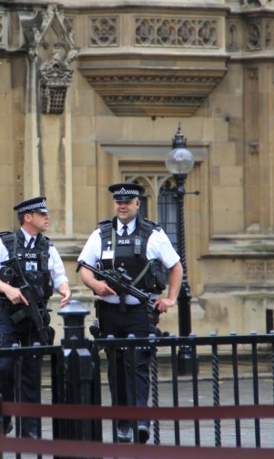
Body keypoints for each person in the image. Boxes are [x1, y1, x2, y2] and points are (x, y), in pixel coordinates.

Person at [77, 183, 183, 444]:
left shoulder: (153, 234)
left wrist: (170, 299)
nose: (122, 206)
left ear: (138, 204)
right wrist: (95, 285)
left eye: (128, 201)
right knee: (116, 370)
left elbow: (176, 266)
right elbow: (83, 268)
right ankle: (123, 424)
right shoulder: (101, 233)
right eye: (118, 202)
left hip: (140, 313)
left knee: (137, 365)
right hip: (110, 313)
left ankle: (140, 422)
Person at [0, 196, 72, 439]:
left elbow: (59, 274)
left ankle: (30, 429)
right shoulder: (5, 243)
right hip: (10, 316)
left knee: (31, 372)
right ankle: (4, 417)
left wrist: (65, 289)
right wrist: (8, 289)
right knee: (5, 367)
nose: (47, 218)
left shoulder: (48, 247)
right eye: (43, 215)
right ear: (28, 218)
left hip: (36, 316)